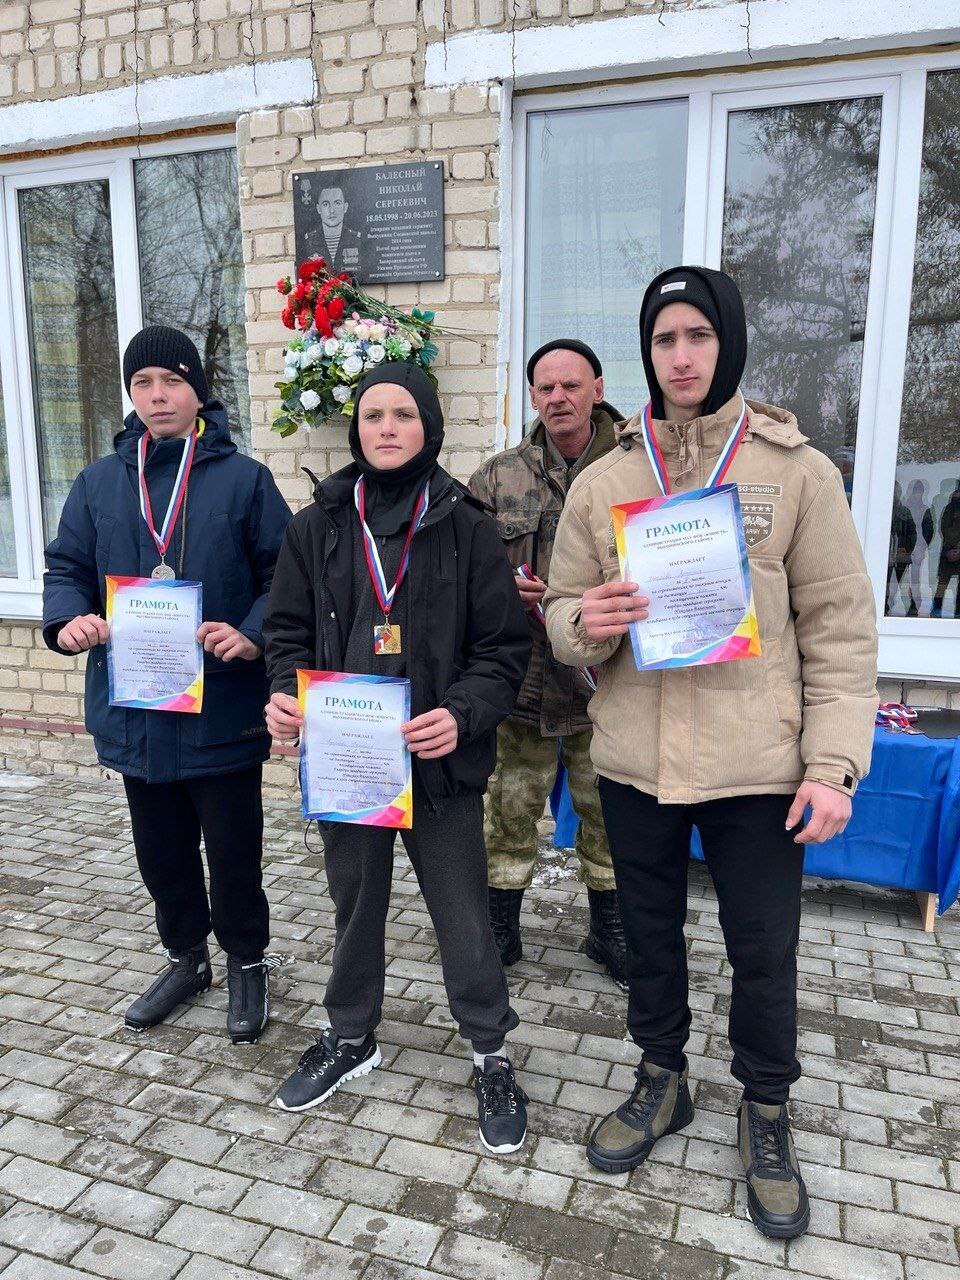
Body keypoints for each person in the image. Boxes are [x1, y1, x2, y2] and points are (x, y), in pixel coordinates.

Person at [544, 267, 878, 1240]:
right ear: (646, 353)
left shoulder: (796, 472)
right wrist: (586, 621)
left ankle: (766, 1106)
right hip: (636, 759)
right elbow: (560, 613)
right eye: (664, 339)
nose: (681, 356)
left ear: (726, 343)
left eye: (698, 335)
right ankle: (663, 1077)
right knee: (648, 936)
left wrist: (833, 765)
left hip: (760, 766)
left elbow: (841, 629)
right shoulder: (606, 479)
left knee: (763, 948)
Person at [262, 363, 534, 1155]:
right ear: (356, 429)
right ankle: (351, 1036)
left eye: (403, 414)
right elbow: (285, 631)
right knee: (354, 906)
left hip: (438, 764)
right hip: (347, 762)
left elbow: (502, 649)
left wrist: (462, 714)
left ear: (430, 426)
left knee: (463, 914)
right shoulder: (316, 525)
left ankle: (490, 1051)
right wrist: (283, 694)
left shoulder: (468, 526)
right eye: (372, 414)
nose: (386, 427)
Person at [42, 325, 291, 1043]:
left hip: (221, 711)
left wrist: (251, 632)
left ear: (197, 391)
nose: (157, 396)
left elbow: (284, 576)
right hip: (138, 710)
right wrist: (69, 620)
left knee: (234, 853)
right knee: (162, 854)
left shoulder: (244, 480)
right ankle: (187, 958)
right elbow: (66, 568)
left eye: (172, 381)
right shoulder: (98, 482)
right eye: (142, 383)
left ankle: (246, 960)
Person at [469, 339, 627, 985]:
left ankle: (611, 929)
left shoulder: (636, 467)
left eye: (571, 385)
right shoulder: (496, 478)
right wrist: (501, 589)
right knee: (510, 806)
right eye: (546, 388)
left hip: (608, 680)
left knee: (607, 810)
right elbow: (464, 571)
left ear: (597, 389)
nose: (558, 398)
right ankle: (498, 926)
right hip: (523, 680)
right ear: (532, 396)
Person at [932, 480, 960, 618]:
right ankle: (936, 610)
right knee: (942, 583)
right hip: (948, 551)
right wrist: (951, 550)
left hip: (954, 549)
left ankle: (958, 612)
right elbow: (944, 528)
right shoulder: (950, 507)